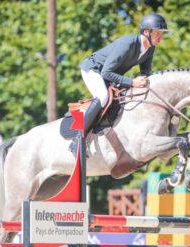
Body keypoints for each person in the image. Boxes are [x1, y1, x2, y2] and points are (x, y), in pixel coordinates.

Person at [69, 13, 169, 154]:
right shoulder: (127, 43)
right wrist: (132, 82)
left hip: (108, 74)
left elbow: (145, 72)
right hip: (93, 69)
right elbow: (106, 73)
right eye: (158, 33)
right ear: (146, 32)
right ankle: (77, 140)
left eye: (162, 34)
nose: (160, 37)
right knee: (103, 97)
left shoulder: (150, 48)